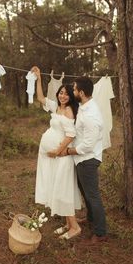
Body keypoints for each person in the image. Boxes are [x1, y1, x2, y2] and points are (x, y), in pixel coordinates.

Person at [32, 66, 82, 240]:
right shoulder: (56, 107)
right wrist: (39, 78)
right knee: (57, 186)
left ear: (71, 97)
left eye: (66, 94)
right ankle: (68, 224)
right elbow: (40, 98)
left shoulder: (68, 110)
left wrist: (57, 151)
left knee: (63, 189)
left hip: (60, 156)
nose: (63, 96)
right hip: (52, 156)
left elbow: (71, 135)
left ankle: (75, 227)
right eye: (61, 93)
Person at [61, 76, 107, 244]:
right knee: (87, 193)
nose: (73, 92)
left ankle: (101, 232)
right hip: (81, 159)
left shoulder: (91, 115)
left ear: (81, 92)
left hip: (87, 159)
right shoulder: (85, 106)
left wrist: (69, 151)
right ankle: (91, 219)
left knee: (93, 195)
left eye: (74, 90)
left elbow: (88, 144)